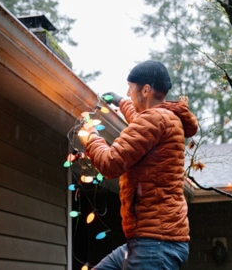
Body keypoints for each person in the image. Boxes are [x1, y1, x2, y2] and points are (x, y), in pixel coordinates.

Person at [78, 60, 199, 270]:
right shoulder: (164, 118)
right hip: (151, 242)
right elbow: (140, 122)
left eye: (130, 88)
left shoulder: (154, 120)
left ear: (145, 89)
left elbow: (110, 163)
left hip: (155, 245)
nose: (128, 91)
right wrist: (121, 101)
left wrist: (90, 137)